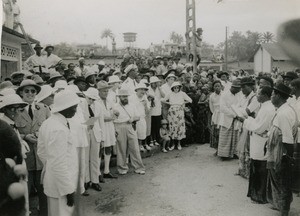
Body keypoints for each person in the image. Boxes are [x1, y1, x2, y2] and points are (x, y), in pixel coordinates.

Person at [37, 90, 80, 216]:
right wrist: (68, 190)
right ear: (65, 108)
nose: (75, 111)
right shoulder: (58, 129)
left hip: (56, 182)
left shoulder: (48, 123)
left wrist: (50, 168)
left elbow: (42, 152)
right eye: (74, 107)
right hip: (62, 188)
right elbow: (58, 162)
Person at [15, 79, 50, 215]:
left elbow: (50, 128)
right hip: (25, 158)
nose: (30, 94)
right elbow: (12, 132)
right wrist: (25, 137)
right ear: (21, 93)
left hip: (41, 157)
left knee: (44, 191)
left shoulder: (44, 108)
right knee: (25, 193)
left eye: (33, 91)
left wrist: (41, 133)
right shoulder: (16, 110)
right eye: (26, 91)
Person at [265, 83, 297, 216]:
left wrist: (287, 157)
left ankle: (284, 210)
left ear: (278, 96)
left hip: (281, 153)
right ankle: (280, 205)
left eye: (272, 95)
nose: (271, 97)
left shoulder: (284, 113)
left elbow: (287, 138)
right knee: (277, 179)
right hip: (277, 150)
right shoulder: (282, 110)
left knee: (282, 181)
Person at [240, 86, 275, 204]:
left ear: (265, 95)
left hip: (261, 140)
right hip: (257, 140)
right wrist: (249, 120)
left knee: (260, 167)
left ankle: (260, 195)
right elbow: (257, 123)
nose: (256, 95)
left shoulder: (268, 109)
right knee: (256, 165)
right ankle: (255, 194)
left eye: (258, 93)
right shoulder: (264, 107)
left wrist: (245, 121)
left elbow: (259, 127)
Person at [113, 89, 146, 175]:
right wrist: (114, 130)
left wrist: (133, 119)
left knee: (135, 147)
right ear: (119, 97)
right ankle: (122, 168)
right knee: (121, 148)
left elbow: (138, 116)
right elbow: (112, 119)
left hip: (130, 126)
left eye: (126, 96)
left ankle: (139, 167)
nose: (125, 98)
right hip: (119, 126)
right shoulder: (114, 106)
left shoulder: (132, 105)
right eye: (123, 96)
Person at [83, 87, 105, 191]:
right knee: (85, 158)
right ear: (85, 96)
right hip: (84, 133)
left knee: (95, 158)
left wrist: (102, 138)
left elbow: (101, 122)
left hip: (96, 133)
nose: (91, 101)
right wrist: (86, 125)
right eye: (89, 98)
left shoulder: (99, 106)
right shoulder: (80, 105)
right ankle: (86, 180)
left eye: (93, 99)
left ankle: (95, 181)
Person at [161, 81, 192, 150]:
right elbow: (163, 100)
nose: (176, 89)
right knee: (172, 127)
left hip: (179, 111)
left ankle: (179, 144)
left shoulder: (182, 94)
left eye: (177, 88)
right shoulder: (170, 94)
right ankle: (173, 144)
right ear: (172, 88)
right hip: (172, 112)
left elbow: (190, 100)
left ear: (179, 88)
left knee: (179, 127)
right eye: (174, 88)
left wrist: (182, 103)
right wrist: (170, 103)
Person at [97, 81, 118, 179]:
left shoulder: (110, 100)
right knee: (100, 149)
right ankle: (97, 173)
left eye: (107, 91)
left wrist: (116, 113)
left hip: (109, 127)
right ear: (99, 91)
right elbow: (96, 117)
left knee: (108, 147)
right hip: (100, 127)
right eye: (104, 91)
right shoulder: (96, 101)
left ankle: (106, 171)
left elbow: (114, 111)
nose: (106, 93)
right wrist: (108, 118)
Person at [217, 79, 242, 160]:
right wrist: (234, 115)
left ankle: (234, 153)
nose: (240, 90)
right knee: (225, 138)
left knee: (235, 137)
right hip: (226, 118)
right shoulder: (224, 94)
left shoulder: (239, 94)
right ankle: (223, 155)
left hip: (236, 119)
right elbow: (222, 108)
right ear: (233, 87)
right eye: (238, 89)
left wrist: (238, 114)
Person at [129, 83, 151, 152]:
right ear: (137, 90)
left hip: (142, 118)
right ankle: (134, 147)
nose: (143, 91)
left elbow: (147, 111)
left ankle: (140, 145)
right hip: (133, 119)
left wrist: (145, 105)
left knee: (142, 133)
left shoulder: (145, 98)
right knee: (134, 134)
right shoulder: (131, 97)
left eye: (144, 90)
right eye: (141, 89)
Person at [148, 76, 165, 147]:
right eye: (154, 83)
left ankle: (157, 139)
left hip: (158, 110)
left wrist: (160, 88)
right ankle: (152, 140)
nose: (155, 84)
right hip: (151, 110)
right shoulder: (148, 89)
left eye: (156, 83)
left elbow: (164, 96)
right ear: (151, 83)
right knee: (151, 126)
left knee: (157, 126)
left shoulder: (159, 89)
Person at [209, 80, 222, 152]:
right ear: (213, 87)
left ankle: (221, 150)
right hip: (216, 115)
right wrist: (215, 114)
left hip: (223, 114)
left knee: (222, 132)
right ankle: (217, 149)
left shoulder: (224, 94)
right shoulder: (211, 96)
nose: (217, 87)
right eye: (215, 86)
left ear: (221, 86)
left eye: (218, 86)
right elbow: (211, 107)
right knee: (215, 133)